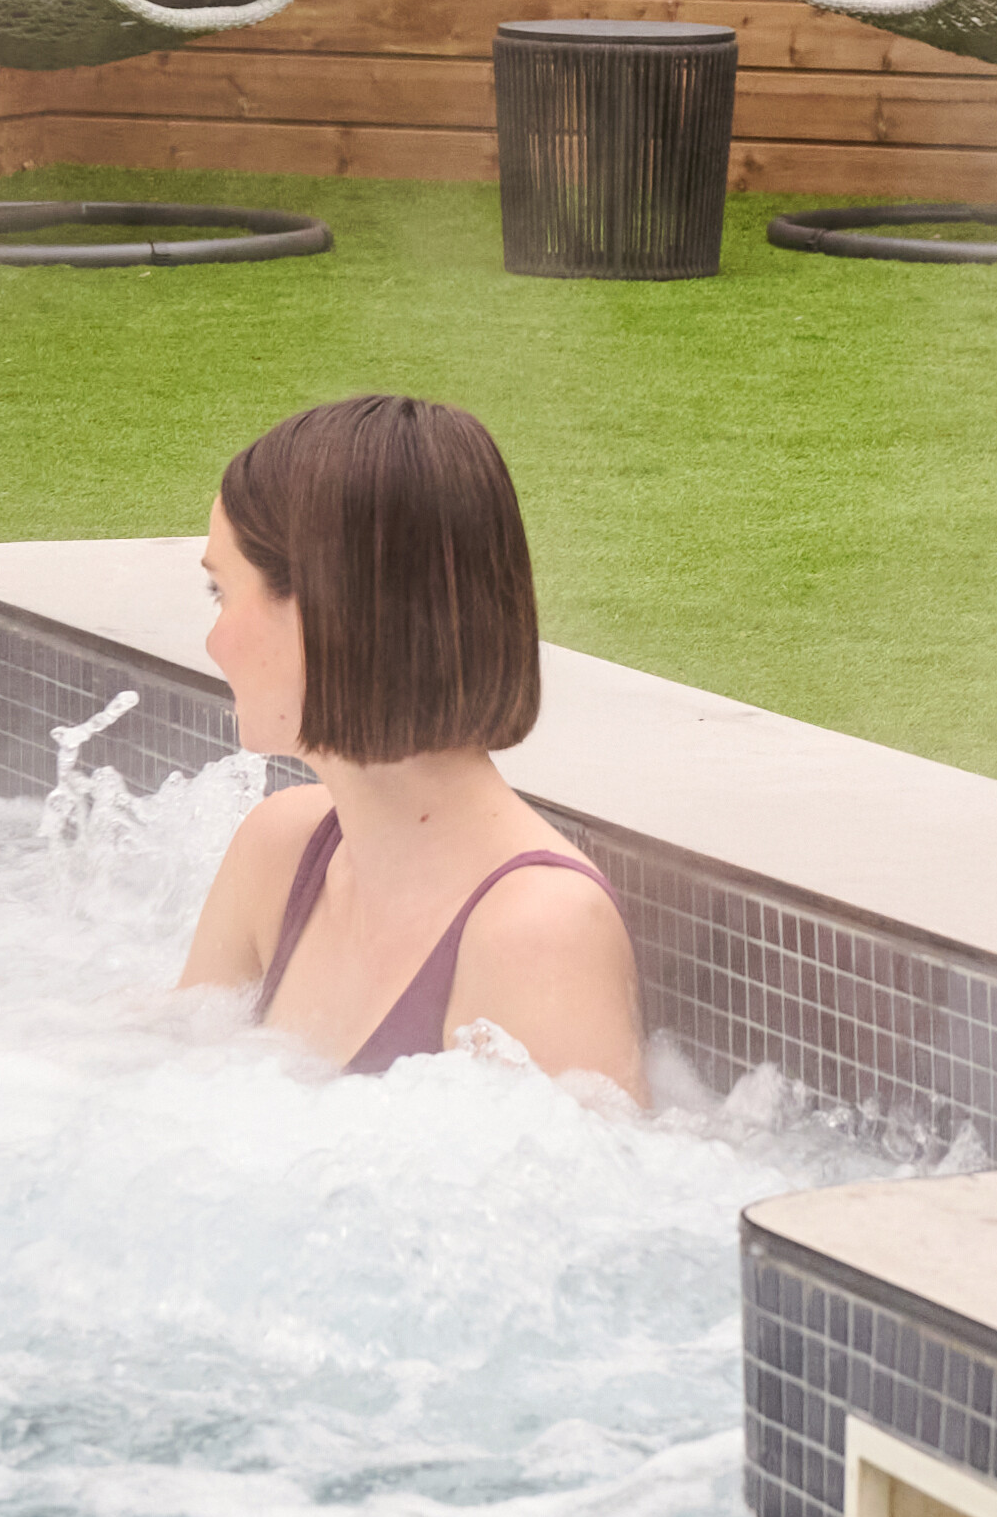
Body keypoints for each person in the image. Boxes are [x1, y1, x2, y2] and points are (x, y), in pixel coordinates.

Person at [179, 392, 647, 1100]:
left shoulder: (538, 935)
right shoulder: (280, 852)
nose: (212, 642)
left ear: (327, 611)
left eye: (221, 594)